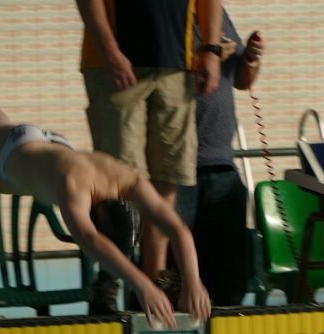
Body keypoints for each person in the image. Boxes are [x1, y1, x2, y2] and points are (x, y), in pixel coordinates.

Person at [0, 11, 211, 327]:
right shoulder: (74, 192)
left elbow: (176, 228)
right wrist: (142, 283)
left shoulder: (127, 179)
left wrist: (193, 281)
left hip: (49, 150)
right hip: (15, 146)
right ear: (97, 217)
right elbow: (94, 243)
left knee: (9, 178)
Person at [75, 0, 223, 313]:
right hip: (113, 65)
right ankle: (110, 282)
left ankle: (154, 280)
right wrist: (108, 48)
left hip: (176, 64)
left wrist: (211, 48)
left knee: (168, 177)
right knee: (117, 184)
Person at [175, 8, 264, 306]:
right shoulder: (165, 12)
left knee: (228, 275)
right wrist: (208, 54)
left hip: (222, 161)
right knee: (176, 274)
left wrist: (249, 58)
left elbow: (240, 79)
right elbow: (155, 76)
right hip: (177, 167)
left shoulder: (216, 13)